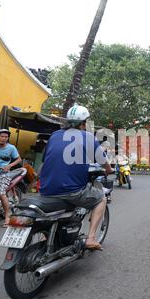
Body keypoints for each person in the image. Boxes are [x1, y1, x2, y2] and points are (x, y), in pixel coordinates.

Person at [39, 104, 112, 250]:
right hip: (73, 192)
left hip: (46, 190)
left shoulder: (54, 135)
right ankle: (91, 238)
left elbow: (44, 160)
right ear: (83, 123)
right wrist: (108, 170)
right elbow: (104, 163)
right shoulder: (87, 137)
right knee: (101, 198)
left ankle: (47, 237)